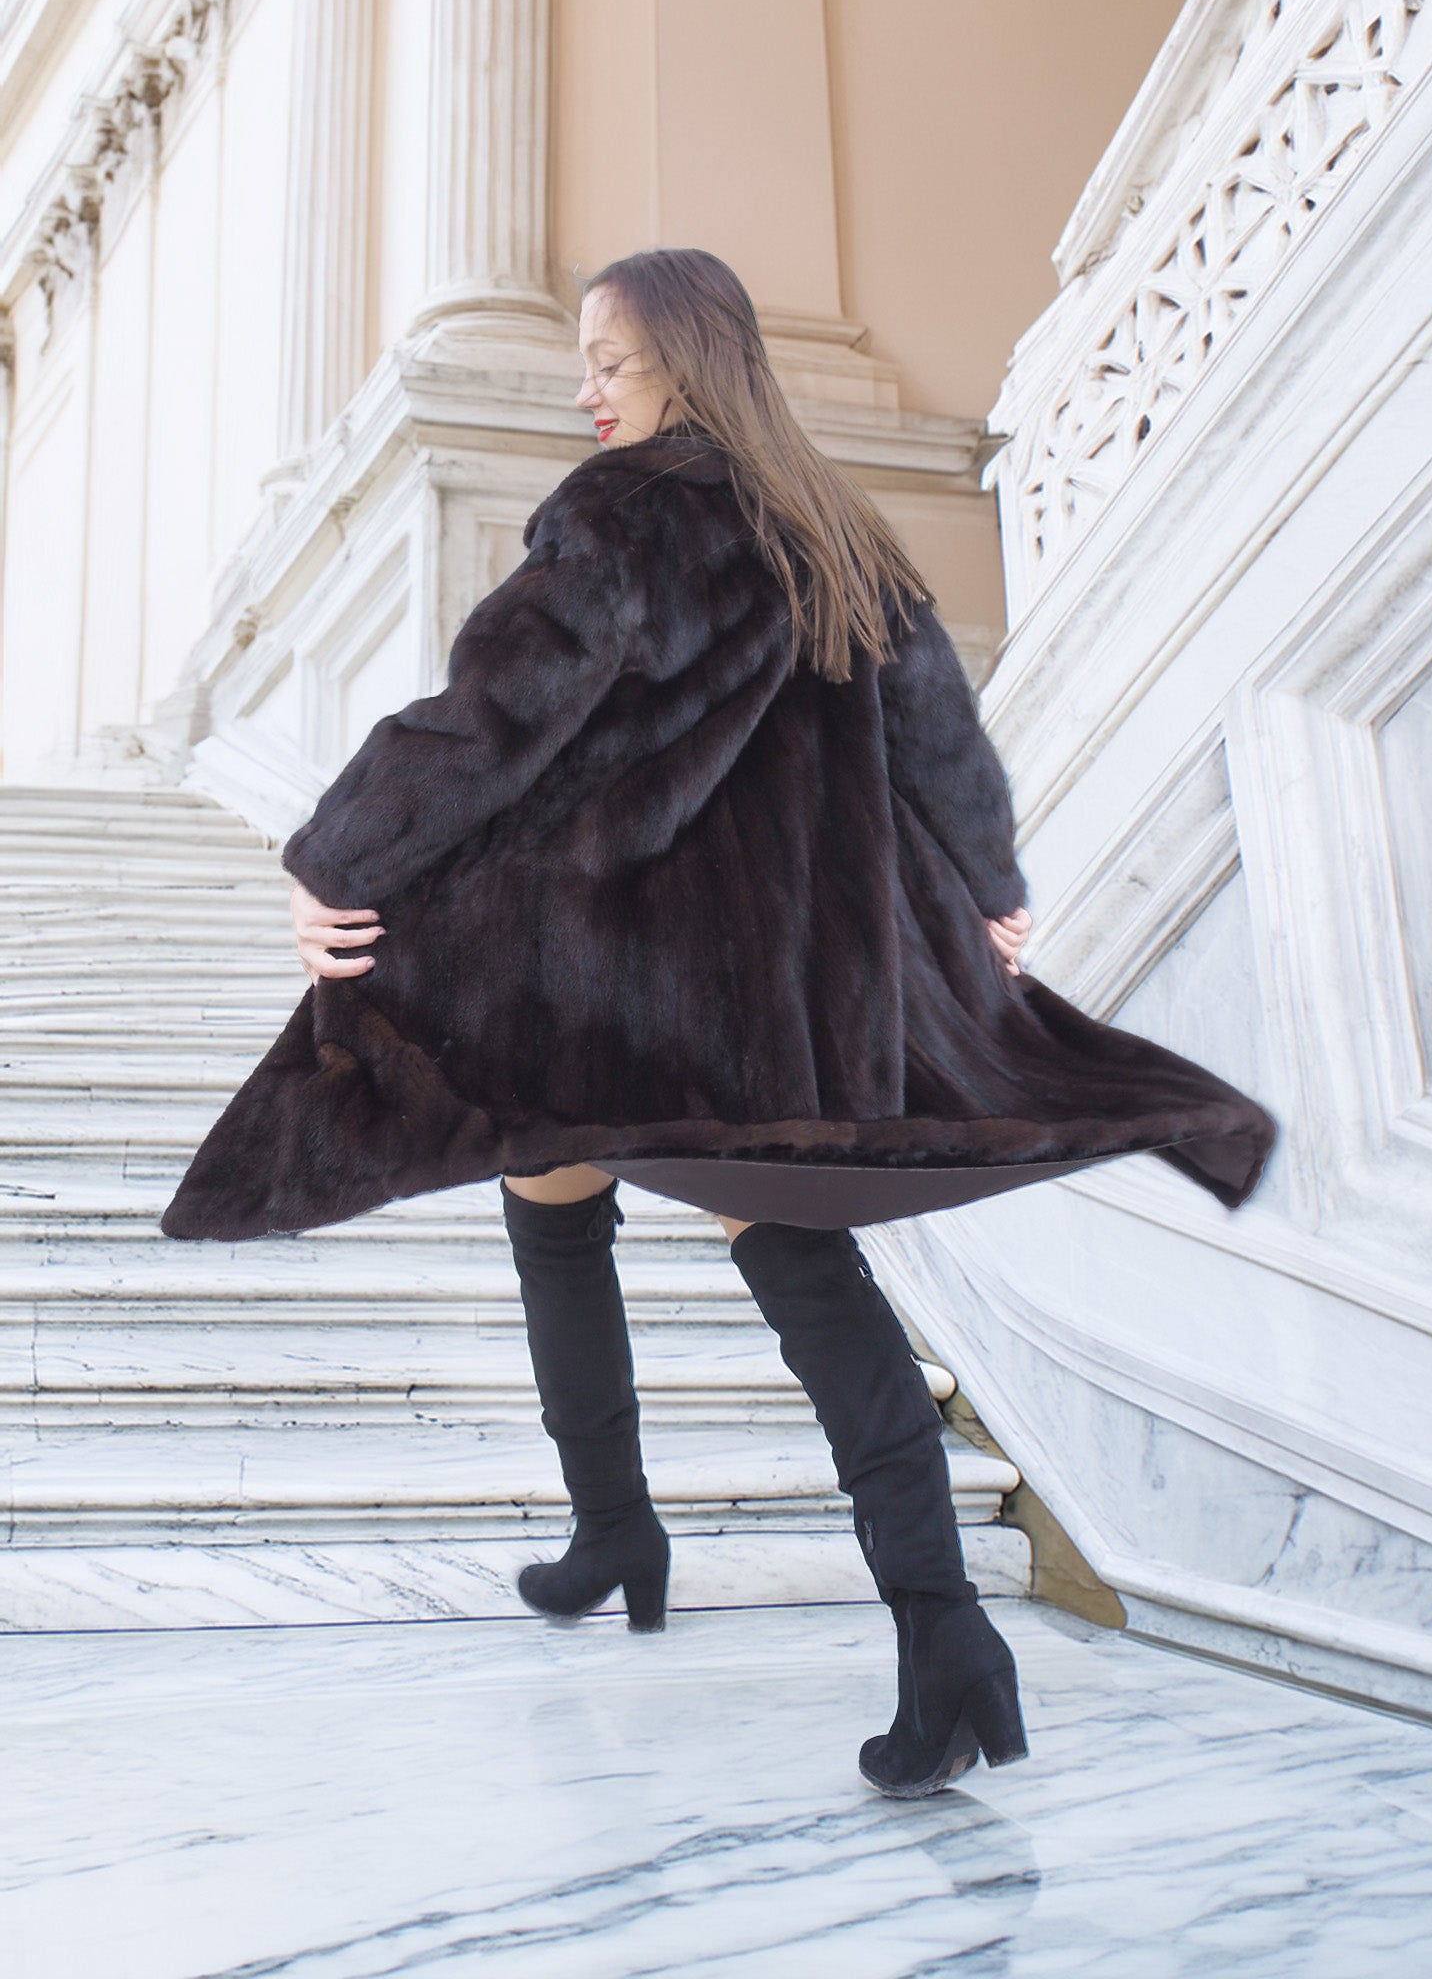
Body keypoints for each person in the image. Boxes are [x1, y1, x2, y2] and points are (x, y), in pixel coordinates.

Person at [163, 248, 1275, 1800]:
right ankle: (621, 1532)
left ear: (687, 357)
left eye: (608, 359)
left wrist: (334, 857)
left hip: (638, 976)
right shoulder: (836, 529)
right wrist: (989, 885)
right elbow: (937, 731)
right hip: (772, 989)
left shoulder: (622, 517)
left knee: (719, 1235)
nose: (585, 387)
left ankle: (936, 1632)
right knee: (564, 1191)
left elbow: (493, 715)